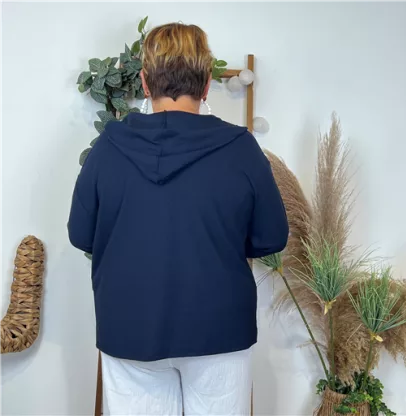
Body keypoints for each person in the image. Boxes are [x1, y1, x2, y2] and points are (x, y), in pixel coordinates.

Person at [68, 22, 288, 416]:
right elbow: (271, 237)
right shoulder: (241, 148)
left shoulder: (108, 147)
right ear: (206, 86)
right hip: (219, 327)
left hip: (129, 326)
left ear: (145, 82)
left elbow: (82, 234)